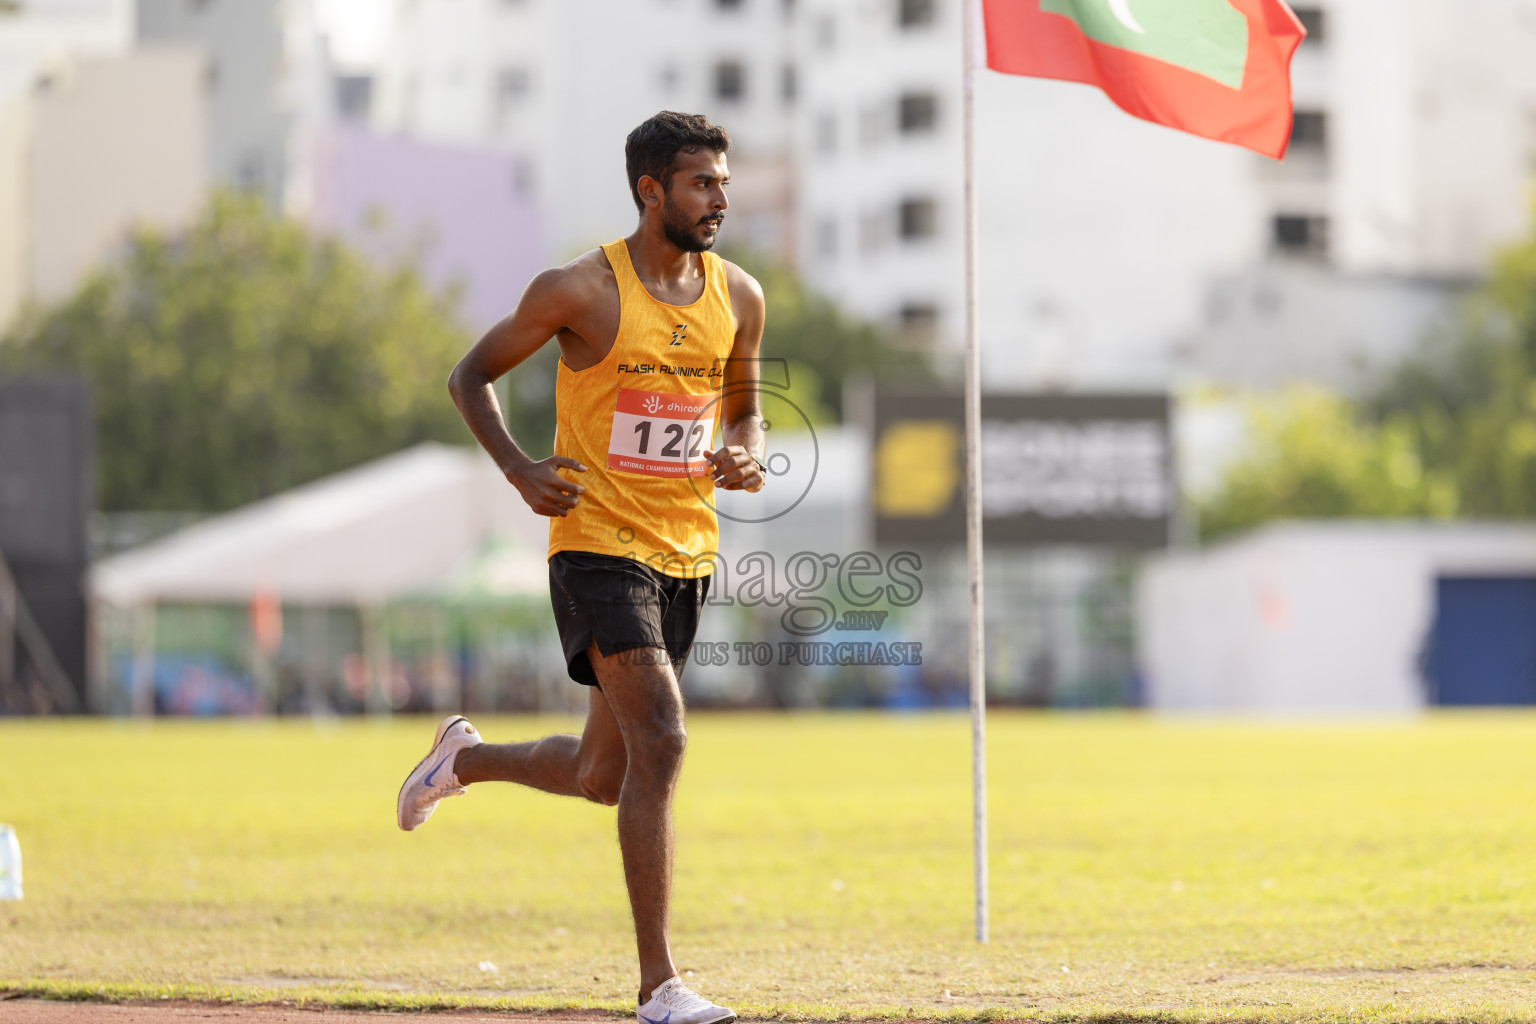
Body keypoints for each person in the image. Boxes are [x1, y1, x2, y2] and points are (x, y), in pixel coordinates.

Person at [396, 111, 764, 1024]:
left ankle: (465, 762)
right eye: (701, 183)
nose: (720, 197)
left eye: (723, 180)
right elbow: (469, 374)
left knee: (607, 774)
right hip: (597, 547)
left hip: (688, 551)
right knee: (666, 743)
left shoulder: (740, 297)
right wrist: (520, 468)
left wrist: (746, 453)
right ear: (651, 191)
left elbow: (745, 410)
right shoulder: (581, 289)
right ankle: (660, 987)